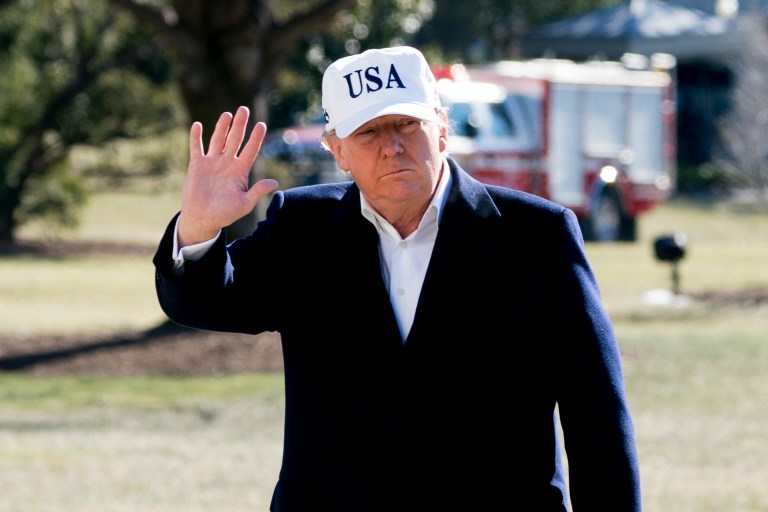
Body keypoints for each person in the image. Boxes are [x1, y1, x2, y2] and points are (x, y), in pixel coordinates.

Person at [153, 46, 641, 511]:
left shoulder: (536, 237)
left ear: (442, 129)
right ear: (337, 151)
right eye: (368, 132)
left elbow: (596, 417)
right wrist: (198, 229)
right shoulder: (303, 230)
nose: (392, 146)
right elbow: (204, 301)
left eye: (408, 123)